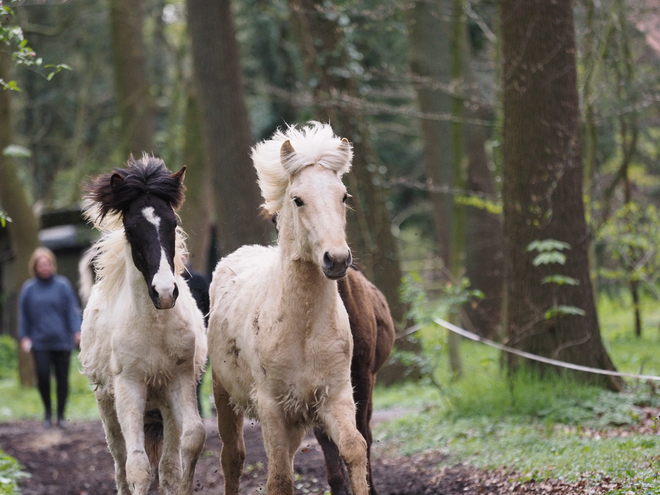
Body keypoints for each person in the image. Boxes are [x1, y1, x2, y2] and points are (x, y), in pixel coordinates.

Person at [19, 247, 81, 429]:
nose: (45, 267)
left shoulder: (63, 286)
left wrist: (76, 331)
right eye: (41, 265)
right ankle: (47, 413)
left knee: (62, 379)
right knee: (43, 376)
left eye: (47, 264)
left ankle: (61, 416)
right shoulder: (28, 289)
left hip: (62, 341)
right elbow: (23, 316)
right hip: (40, 342)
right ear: (35, 267)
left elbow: (72, 310)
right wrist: (24, 337)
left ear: (52, 264)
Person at [182, 260, 210, 416]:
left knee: (195, 383)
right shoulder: (169, 284)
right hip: (177, 340)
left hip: (199, 340)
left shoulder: (198, 280)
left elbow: (208, 309)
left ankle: (197, 418)